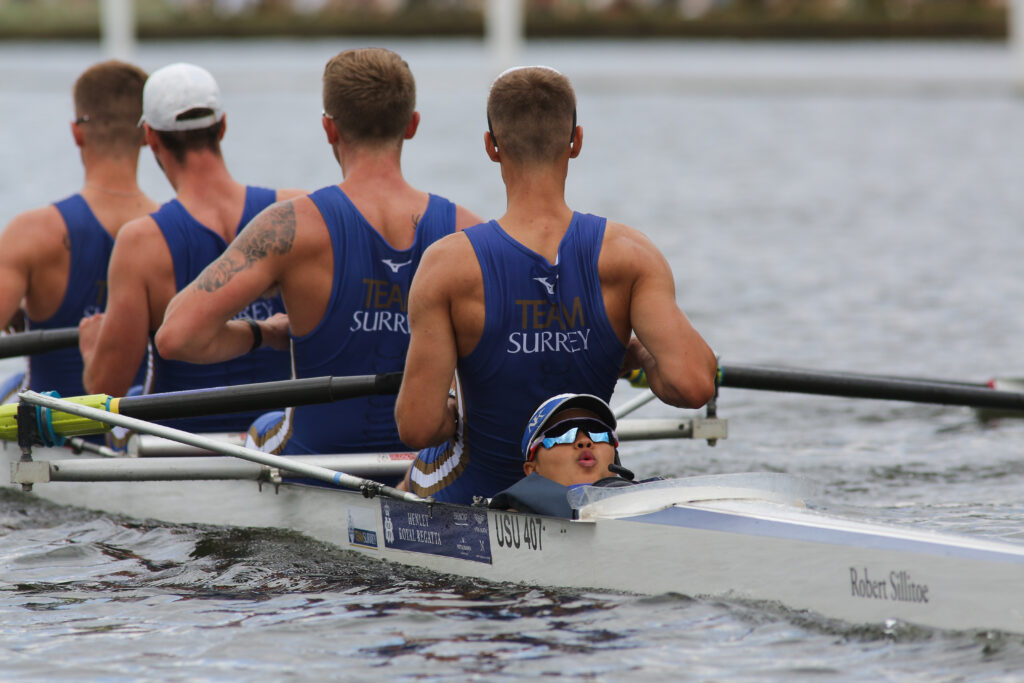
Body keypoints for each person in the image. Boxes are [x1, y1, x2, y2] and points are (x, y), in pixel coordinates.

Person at [394, 65, 718, 503]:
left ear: (491, 146)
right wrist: (636, 353)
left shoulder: (448, 265)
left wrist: (453, 398)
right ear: (577, 141)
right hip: (586, 489)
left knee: (406, 481)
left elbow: (417, 427)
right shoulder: (630, 254)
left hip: (480, 491)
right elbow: (695, 385)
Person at [154, 48, 482, 453]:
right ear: (412, 124)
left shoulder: (290, 227)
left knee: (265, 423)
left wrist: (264, 333)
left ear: (329, 129)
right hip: (426, 462)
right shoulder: (469, 230)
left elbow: (176, 338)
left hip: (317, 461)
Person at [79, 62, 305, 434]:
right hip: (280, 443)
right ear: (224, 125)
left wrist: (92, 349)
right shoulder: (298, 211)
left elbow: (106, 391)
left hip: (177, 447)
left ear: (149, 137)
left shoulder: (140, 242)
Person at [0, 60, 158, 403]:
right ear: (147, 135)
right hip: (142, 434)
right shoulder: (173, 230)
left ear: (76, 132)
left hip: (50, 437)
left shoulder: (32, 233)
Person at [489, 393, 634, 518]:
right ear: (532, 470)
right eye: (562, 433)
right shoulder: (510, 524)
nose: (585, 441)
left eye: (598, 431)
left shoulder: (651, 501)